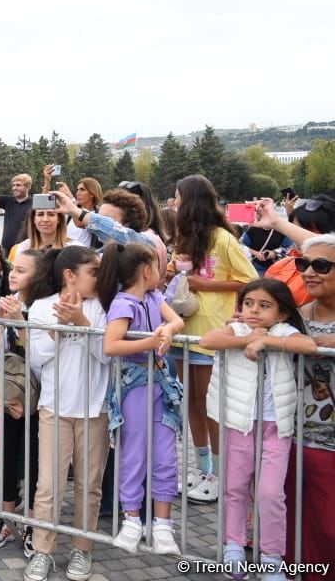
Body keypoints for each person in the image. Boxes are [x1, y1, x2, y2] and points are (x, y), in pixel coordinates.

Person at [202, 278, 316, 581]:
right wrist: (247, 339)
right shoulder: (237, 329)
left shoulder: (284, 331)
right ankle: (234, 546)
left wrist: (266, 341)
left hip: (276, 426)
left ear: (281, 313)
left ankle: (272, 556)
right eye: (249, 303)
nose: (254, 310)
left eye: (264, 306)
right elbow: (207, 340)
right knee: (235, 487)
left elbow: (307, 344)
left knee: (270, 493)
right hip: (239, 423)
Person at [24, 246, 109, 581]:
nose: (100, 278)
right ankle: (43, 551)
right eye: (94, 272)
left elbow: (106, 355)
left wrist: (83, 323)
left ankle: (81, 549)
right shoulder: (42, 307)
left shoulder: (104, 307)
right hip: (53, 407)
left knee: (89, 484)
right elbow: (36, 358)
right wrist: (57, 329)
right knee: (49, 485)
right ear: (70, 275)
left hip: (95, 407)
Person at [171, 175, 258, 505]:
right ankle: (203, 468)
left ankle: (222, 475)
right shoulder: (183, 237)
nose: (175, 203)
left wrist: (207, 286)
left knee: (210, 406)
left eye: (178, 197)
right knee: (191, 402)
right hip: (182, 329)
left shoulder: (222, 238)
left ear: (190, 200)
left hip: (211, 332)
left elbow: (248, 279)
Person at [97, 244, 184, 556]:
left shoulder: (154, 297)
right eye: (158, 266)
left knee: (165, 455)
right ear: (146, 270)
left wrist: (169, 329)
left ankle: (162, 524)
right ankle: (131, 518)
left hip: (161, 386)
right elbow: (111, 345)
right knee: (133, 454)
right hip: (134, 388)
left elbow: (177, 321)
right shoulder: (123, 304)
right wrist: (152, 340)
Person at [0, 249, 42, 556]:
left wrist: (19, 319)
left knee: (33, 459)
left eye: (22, 270)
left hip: (38, 394)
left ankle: (31, 521)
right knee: (5, 454)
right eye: (13, 269)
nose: (13, 274)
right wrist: (0, 325)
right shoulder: (3, 302)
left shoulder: (44, 306)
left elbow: (41, 351)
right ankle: (6, 517)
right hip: (7, 391)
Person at [286, 234, 335, 580]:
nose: (308, 273)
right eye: (304, 264)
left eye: (321, 266)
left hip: (331, 448)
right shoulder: (295, 317)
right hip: (294, 440)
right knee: (294, 532)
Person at [0, 163, 33, 256]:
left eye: (18, 185)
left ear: (28, 187)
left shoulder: (34, 204)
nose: (14, 188)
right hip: (6, 250)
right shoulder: (8, 201)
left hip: (26, 250)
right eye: (13, 185)